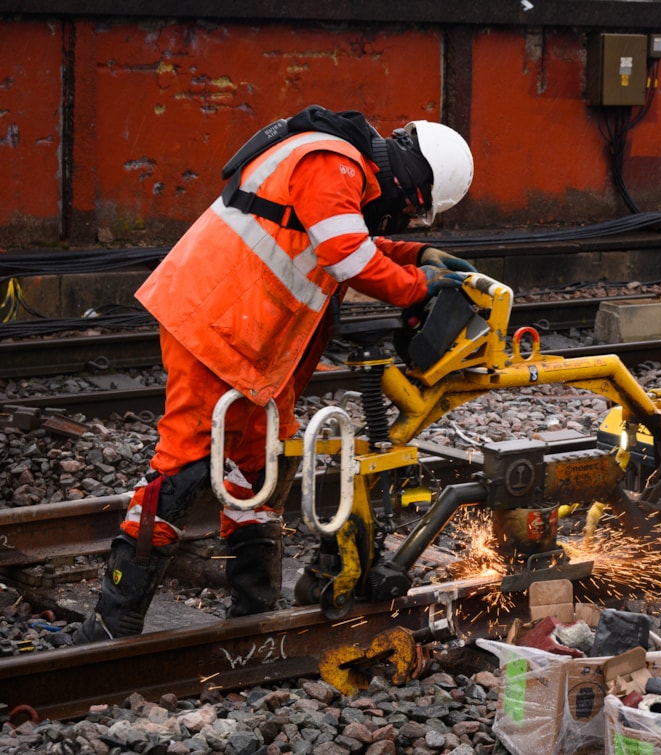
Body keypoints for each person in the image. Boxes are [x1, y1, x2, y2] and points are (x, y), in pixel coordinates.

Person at [74, 106, 476, 643]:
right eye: (415, 211)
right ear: (413, 179)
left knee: (258, 471)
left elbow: (342, 237)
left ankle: (252, 614)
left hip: (256, 345)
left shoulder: (341, 172)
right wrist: (418, 285)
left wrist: (419, 253)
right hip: (214, 327)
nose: (404, 215)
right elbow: (347, 255)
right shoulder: (331, 160)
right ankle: (112, 624)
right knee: (182, 467)